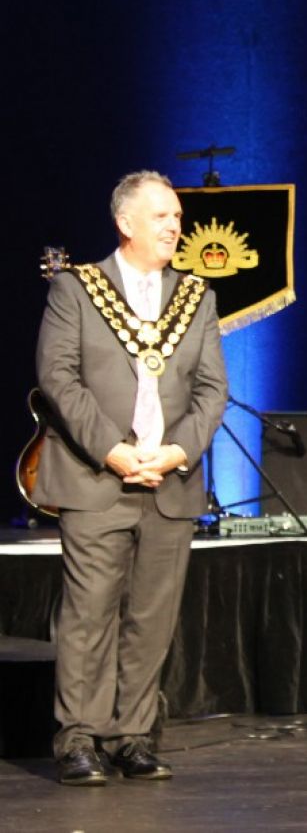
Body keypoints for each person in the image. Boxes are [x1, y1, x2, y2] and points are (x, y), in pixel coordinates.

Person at [34, 170, 227, 785]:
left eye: (177, 216)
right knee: (88, 615)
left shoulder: (196, 297)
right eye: (163, 216)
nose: (176, 226)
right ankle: (79, 739)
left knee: (152, 617)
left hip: (170, 482)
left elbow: (213, 390)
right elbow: (58, 379)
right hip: (97, 480)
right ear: (126, 223)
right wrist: (113, 451)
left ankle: (133, 736)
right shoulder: (76, 290)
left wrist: (176, 452)